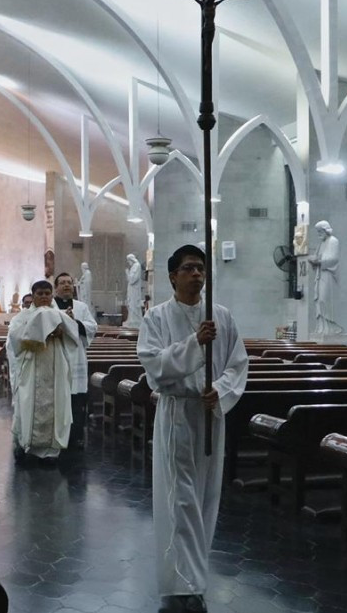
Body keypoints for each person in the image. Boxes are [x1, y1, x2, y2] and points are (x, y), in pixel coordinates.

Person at [137, 244, 249, 613]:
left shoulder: (222, 316)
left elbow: (237, 364)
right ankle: (185, 582)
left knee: (204, 499)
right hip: (177, 415)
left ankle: (192, 577)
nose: (197, 274)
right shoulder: (156, 318)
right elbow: (154, 365)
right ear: (172, 276)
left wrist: (220, 390)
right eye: (188, 268)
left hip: (210, 414)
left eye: (201, 268)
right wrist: (193, 344)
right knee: (180, 499)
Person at [7, 280, 82, 464]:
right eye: (39, 293)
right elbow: (15, 339)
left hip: (55, 368)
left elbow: (74, 338)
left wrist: (61, 332)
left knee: (57, 405)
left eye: (47, 293)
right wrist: (38, 333)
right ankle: (28, 446)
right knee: (27, 403)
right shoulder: (22, 317)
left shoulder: (60, 315)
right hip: (32, 367)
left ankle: (51, 451)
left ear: (51, 295)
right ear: (33, 296)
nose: (43, 297)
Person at [53, 272, 98, 449]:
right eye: (62, 283)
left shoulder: (81, 307)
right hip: (57, 357)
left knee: (77, 400)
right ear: (56, 287)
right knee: (58, 399)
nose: (66, 286)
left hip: (77, 358)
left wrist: (75, 322)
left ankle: (76, 435)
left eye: (69, 283)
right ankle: (57, 436)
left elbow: (92, 326)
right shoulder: (50, 306)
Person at [307, 220, 345, 335]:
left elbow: (334, 259)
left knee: (324, 299)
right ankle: (322, 328)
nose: (319, 234)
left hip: (328, 275)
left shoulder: (333, 241)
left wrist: (318, 261)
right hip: (320, 275)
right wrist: (314, 260)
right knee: (319, 300)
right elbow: (318, 257)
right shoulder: (321, 244)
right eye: (317, 231)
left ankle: (332, 328)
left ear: (326, 230)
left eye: (320, 231)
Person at [125, 253, 144, 328]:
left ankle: (134, 320)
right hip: (132, 289)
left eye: (128, 260)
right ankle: (131, 319)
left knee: (134, 305)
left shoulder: (136, 266)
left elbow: (132, 280)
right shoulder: (134, 266)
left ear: (131, 260)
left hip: (134, 291)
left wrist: (127, 273)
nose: (128, 262)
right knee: (131, 304)